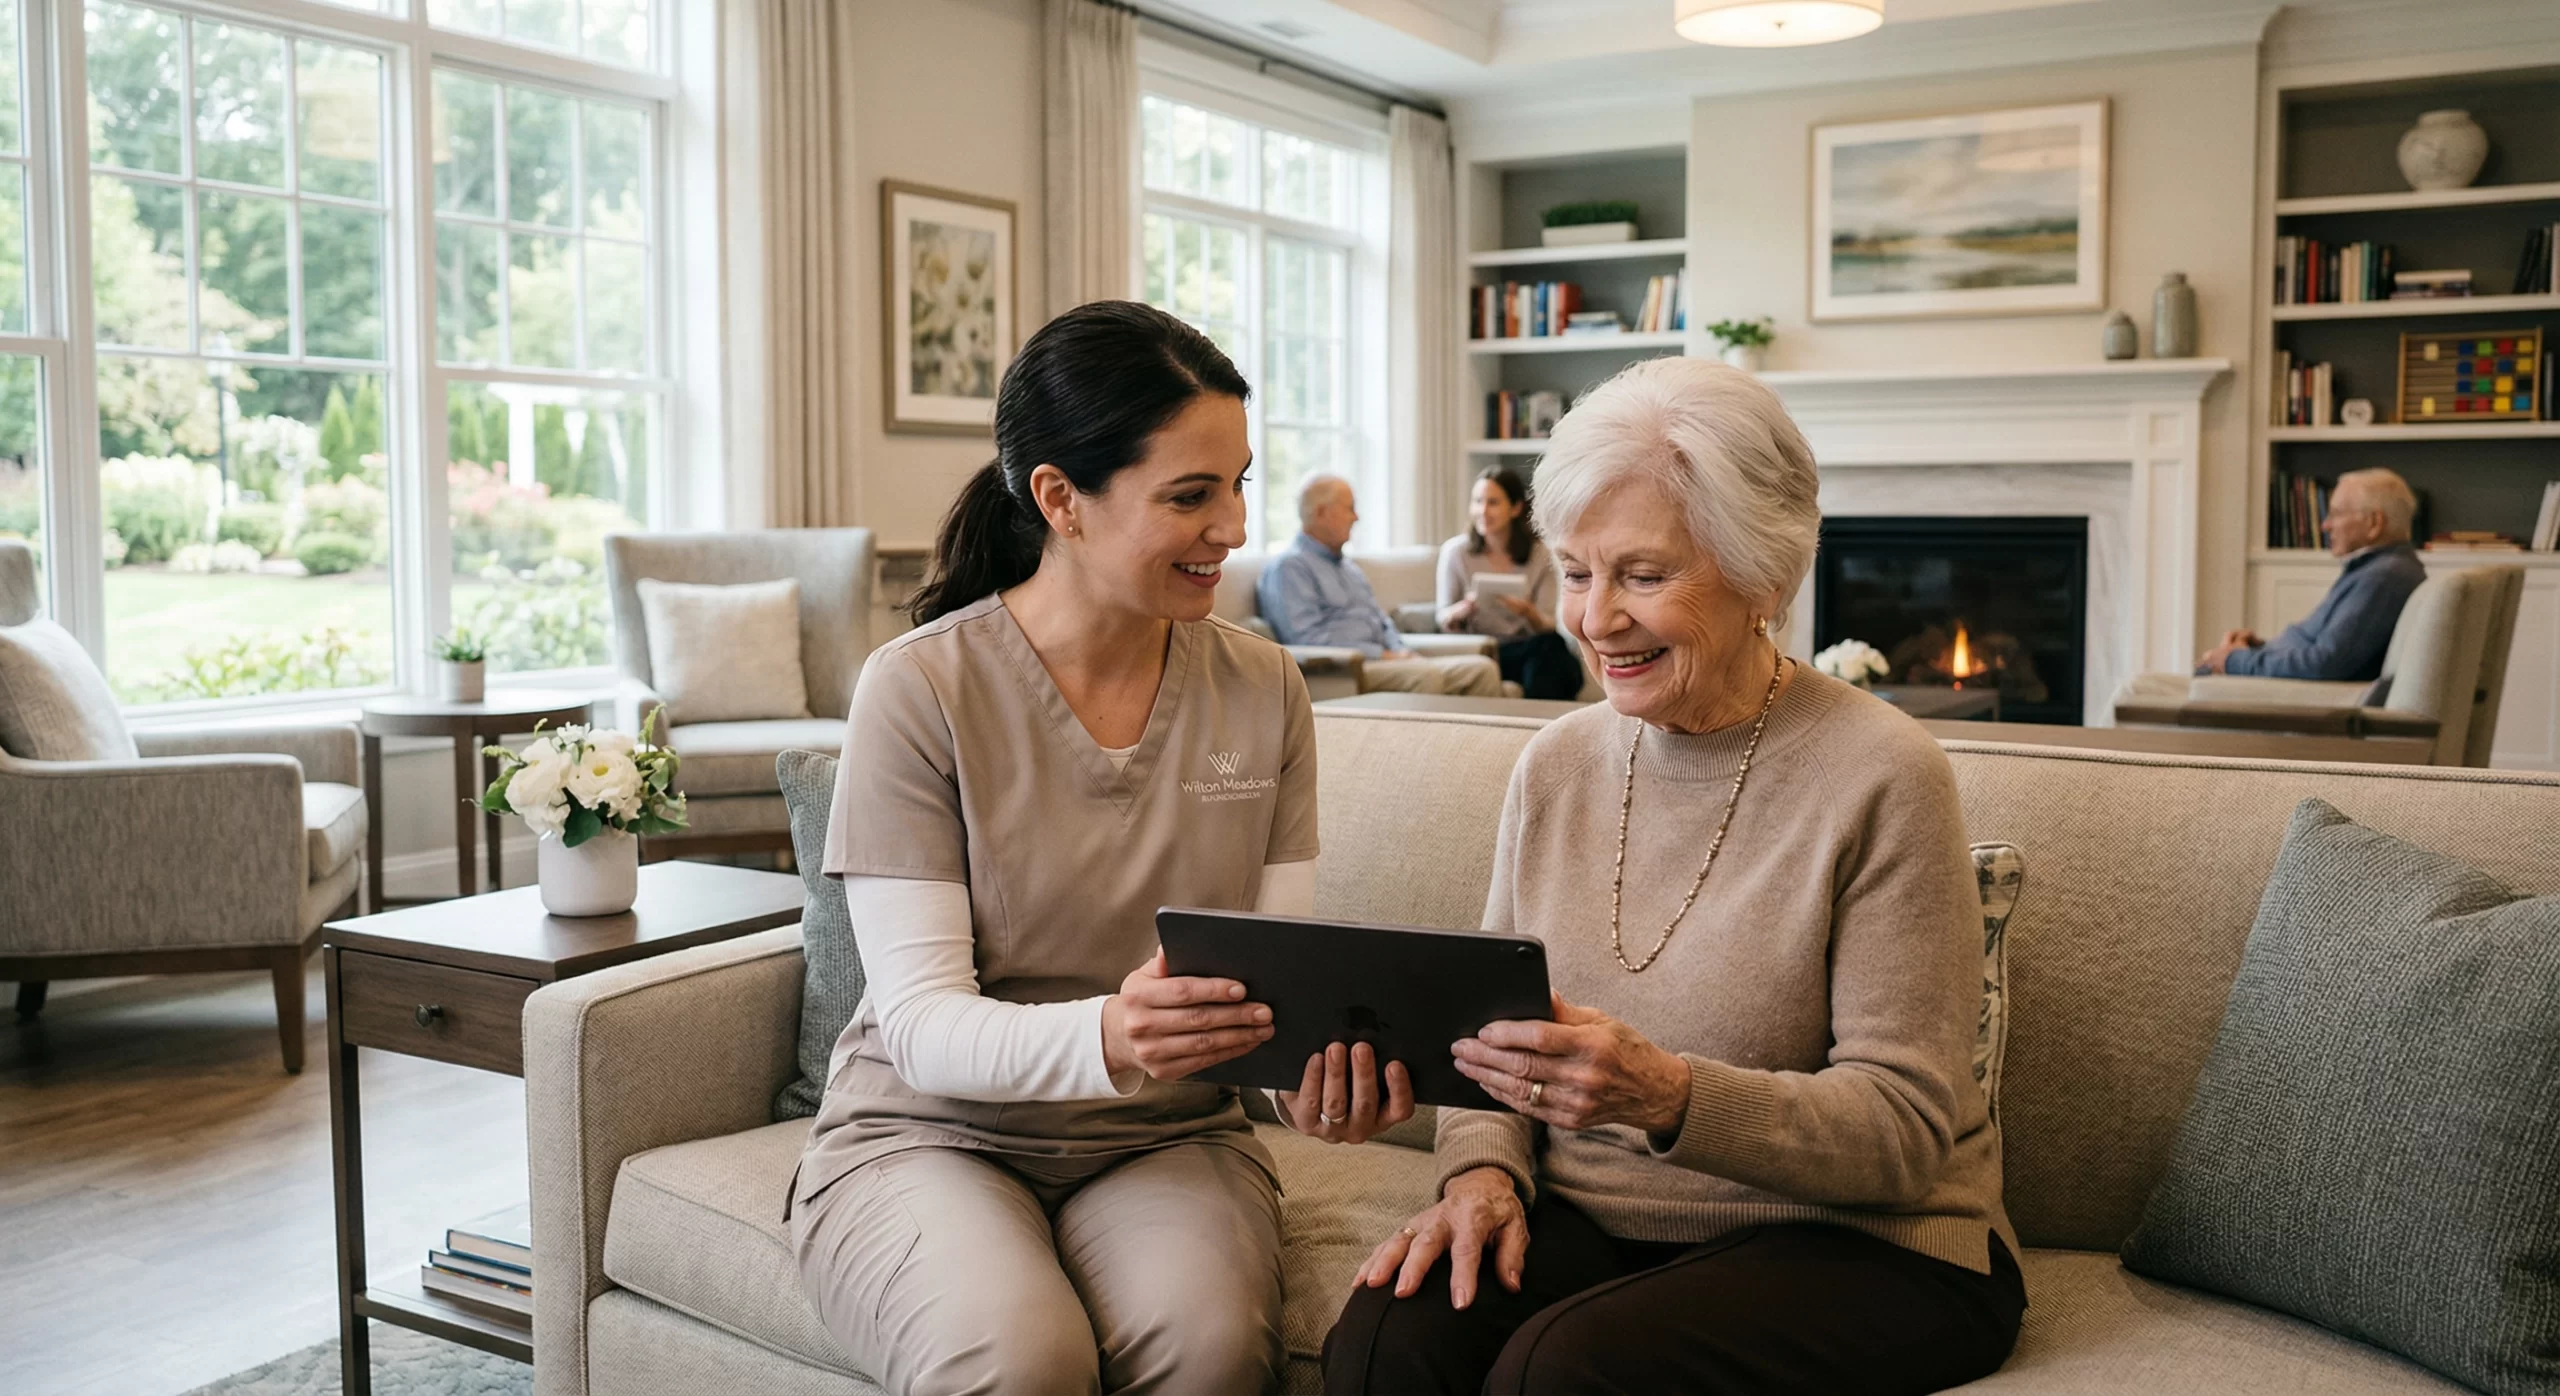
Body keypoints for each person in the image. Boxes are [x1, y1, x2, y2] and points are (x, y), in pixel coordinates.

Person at [1324, 357, 2024, 1395]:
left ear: (1763, 579)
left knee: (1564, 1374)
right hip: (1599, 1217)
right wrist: (1479, 1173)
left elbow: (1903, 1132)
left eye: (1643, 576)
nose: (1595, 618)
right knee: (1390, 1340)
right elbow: (1487, 1044)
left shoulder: (1884, 773)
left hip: (1867, 1237)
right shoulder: (1555, 765)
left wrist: (1668, 1095)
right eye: (1575, 571)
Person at [794, 301, 1412, 1396]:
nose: (1232, 528)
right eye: (1190, 495)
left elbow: (1275, 989)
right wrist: (1119, 1033)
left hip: (1168, 1136)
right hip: (930, 1131)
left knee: (1209, 1352)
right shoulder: (920, 687)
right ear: (1059, 500)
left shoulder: (1265, 687)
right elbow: (923, 1029)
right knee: (1018, 1357)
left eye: (1239, 486)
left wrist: (1310, 1087)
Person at [1259, 474, 1505, 697]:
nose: (1356, 517)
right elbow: (1307, 640)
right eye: (1350, 509)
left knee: (1482, 670)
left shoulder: (1349, 568)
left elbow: (1381, 622)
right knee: (1424, 676)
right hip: (1345, 671)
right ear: (1322, 513)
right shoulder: (1289, 568)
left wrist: (1401, 651)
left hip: (1388, 661)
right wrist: (1384, 655)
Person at [2196, 467, 2424, 678]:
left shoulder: (2382, 578)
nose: (2325, 525)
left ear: (2374, 523)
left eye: (2336, 514)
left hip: (2302, 696)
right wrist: (2258, 648)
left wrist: (2234, 660)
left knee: (2187, 681)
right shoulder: (2375, 570)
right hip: (2286, 683)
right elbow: (2319, 649)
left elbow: (2323, 663)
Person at [1436, 467, 1585, 701]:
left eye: (1493, 502)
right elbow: (1442, 617)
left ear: (1515, 508)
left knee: (1550, 648)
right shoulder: (1456, 552)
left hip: (1526, 647)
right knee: (1554, 657)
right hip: (1482, 649)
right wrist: (1463, 608)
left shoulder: (1540, 554)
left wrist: (1528, 612)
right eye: (1477, 501)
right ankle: (1541, 715)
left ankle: (1537, 713)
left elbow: (1548, 623)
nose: (1483, 511)